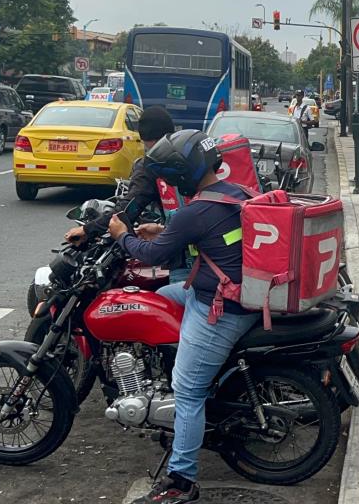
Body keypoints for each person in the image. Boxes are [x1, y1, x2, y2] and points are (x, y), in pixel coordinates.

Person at [114, 130, 259, 504]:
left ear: (182, 175)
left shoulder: (194, 211)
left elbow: (149, 257)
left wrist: (121, 235)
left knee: (188, 392)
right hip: (225, 293)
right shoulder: (234, 192)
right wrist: (164, 230)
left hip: (220, 307)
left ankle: (181, 480)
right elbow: (214, 235)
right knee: (160, 296)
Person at [64, 105, 175, 247]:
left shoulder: (151, 164)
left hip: (187, 250)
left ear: (143, 136)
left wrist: (87, 229)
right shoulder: (188, 155)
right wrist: (162, 229)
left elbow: (129, 207)